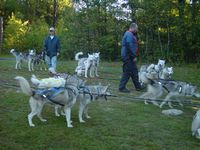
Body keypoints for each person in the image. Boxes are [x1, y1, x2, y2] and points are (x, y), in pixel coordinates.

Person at [118, 23, 145, 93]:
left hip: (129, 56)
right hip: (128, 56)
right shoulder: (129, 35)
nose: (137, 30)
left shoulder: (130, 34)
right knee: (128, 72)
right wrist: (133, 56)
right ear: (133, 28)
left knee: (134, 71)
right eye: (137, 29)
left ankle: (138, 86)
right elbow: (129, 46)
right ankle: (121, 87)